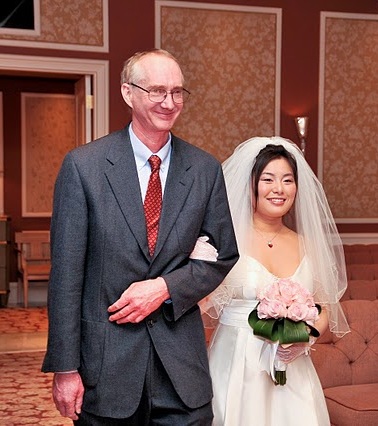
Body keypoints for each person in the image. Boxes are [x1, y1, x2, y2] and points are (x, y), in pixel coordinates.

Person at [42, 49, 239, 425]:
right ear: (127, 93)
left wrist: (164, 288)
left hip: (182, 370)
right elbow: (66, 279)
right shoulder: (84, 167)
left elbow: (222, 255)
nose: (169, 102)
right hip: (106, 370)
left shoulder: (204, 169)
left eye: (178, 92)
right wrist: (65, 369)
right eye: (157, 91)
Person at [202, 137, 350, 425]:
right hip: (235, 365)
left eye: (287, 180)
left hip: (292, 366)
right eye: (268, 179)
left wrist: (306, 337)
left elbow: (324, 307)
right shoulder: (226, 242)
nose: (279, 189)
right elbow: (201, 302)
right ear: (251, 184)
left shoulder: (307, 244)